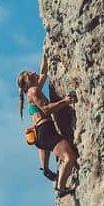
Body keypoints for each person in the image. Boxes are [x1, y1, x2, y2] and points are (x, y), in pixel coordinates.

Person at [17, 51, 79, 198]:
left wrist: (45, 55)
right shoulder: (33, 90)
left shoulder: (31, 91)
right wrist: (65, 101)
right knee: (69, 157)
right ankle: (61, 188)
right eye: (29, 74)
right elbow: (46, 109)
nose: (33, 72)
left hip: (40, 134)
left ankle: (46, 169)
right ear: (27, 82)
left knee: (62, 154)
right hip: (46, 131)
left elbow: (43, 73)